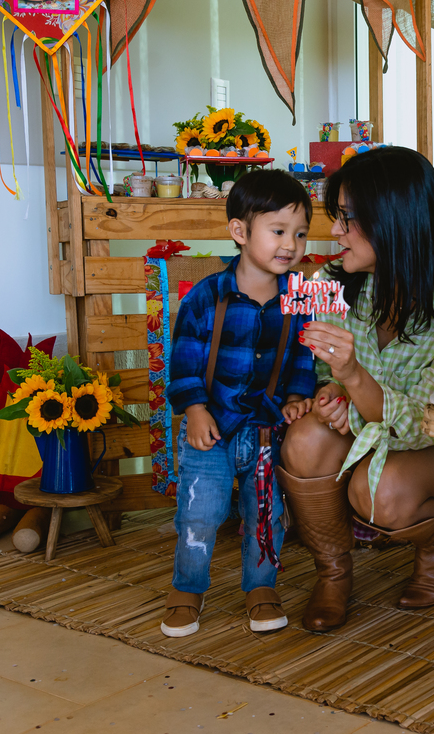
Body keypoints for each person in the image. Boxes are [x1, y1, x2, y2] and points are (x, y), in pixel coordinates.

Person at [277, 146, 434, 632]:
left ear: (394, 220)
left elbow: (423, 427)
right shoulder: (335, 283)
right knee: (305, 440)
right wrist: (334, 388)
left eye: (347, 218)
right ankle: (333, 573)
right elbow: (329, 375)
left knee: (380, 490)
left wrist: (353, 377)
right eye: (337, 217)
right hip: (369, 431)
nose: (334, 231)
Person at [162, 170, 317, 638]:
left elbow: (304, 357)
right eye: (278, 230)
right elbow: (184, 359)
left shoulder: (299, 299)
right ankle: (187, 588)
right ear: (239, 232)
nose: (290, 243)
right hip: (210, 429)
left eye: (300, 233)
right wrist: (193, 409)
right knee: (200, 512)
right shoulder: (206, 297)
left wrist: (295, 397)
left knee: (265, 514)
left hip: (267, 430)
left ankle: (261, 587)